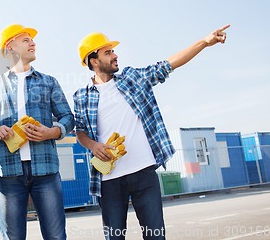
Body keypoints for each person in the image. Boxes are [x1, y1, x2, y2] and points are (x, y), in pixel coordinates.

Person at [74, 25, 230, 240]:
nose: (115, 55)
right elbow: (80, 131)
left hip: (144, 172)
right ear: (94, 61)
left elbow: (168, 64)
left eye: (113, 51)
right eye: (108, 52)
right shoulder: (81, 96)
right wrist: (93, 145)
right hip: (109, 180)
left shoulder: (133, 78)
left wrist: (204, 41)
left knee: (156, 236)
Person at [0, 24, 75, 240]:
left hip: (46, 172)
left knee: (56, 236)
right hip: (9, 174)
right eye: (26, 40)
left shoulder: (48, 82)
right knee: (13, 237)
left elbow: (68, 117)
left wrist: (51, 132)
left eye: (32, 40)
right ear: (10, 47)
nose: (33, 43)